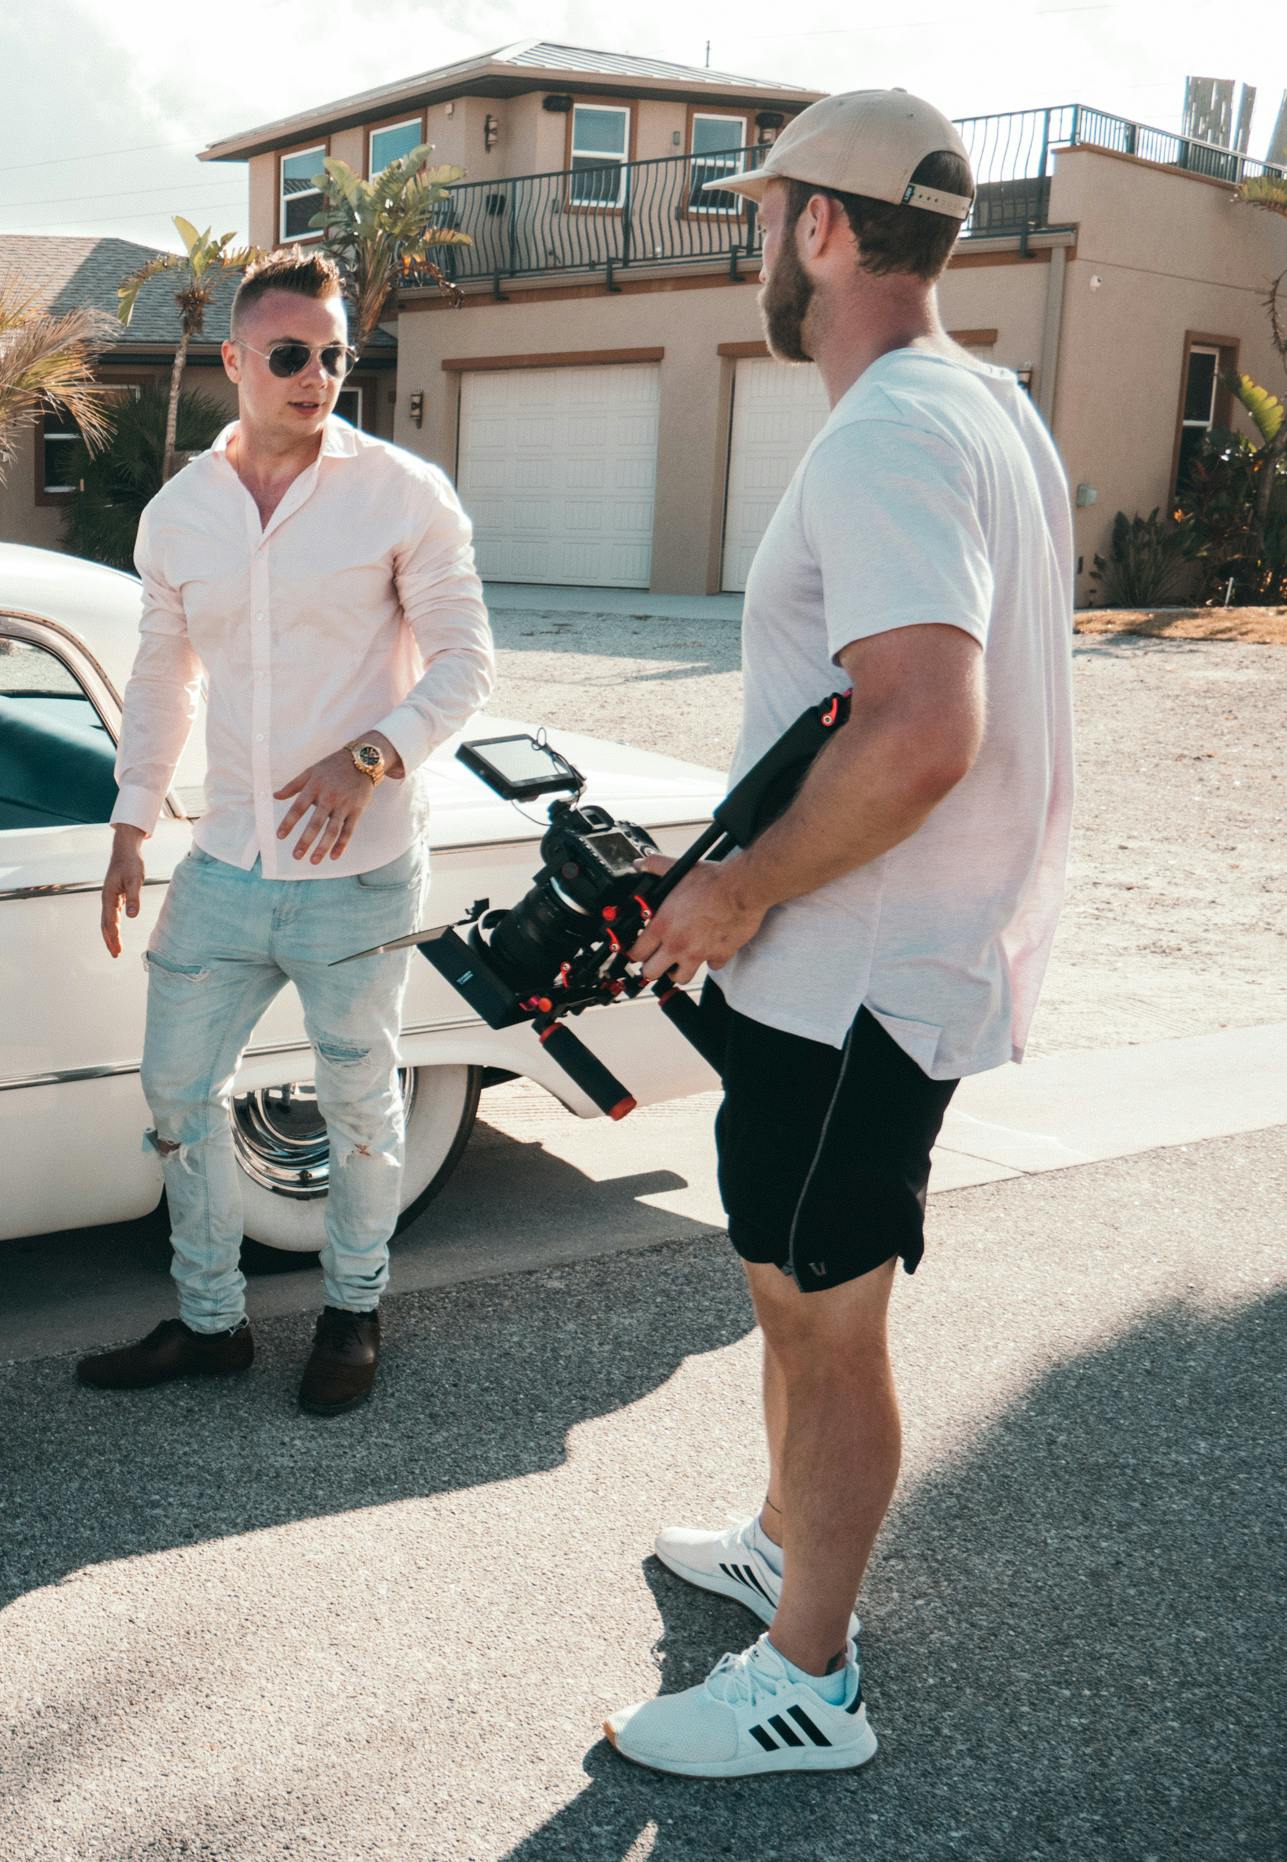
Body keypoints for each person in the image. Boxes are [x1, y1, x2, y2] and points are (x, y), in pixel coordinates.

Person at [601, 93, 1075, 1776]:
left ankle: (813, 1675)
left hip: (860, 973)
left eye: (760, 217)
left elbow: (918, 727)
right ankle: (781, 1539)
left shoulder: (885, 427)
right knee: (783, 1284)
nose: (754, 248)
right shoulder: (987, 405)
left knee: (825, 1311)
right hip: (863, 960)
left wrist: (736, 889)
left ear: (819, 228)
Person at [81, 249, 494, 1414]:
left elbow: (467, 662)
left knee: (361, 1101)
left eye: (333, 354)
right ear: (235, 362)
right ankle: (210, 1320)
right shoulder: (180, 514)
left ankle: (352, 1312)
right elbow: (162, 681)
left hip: (357, 876)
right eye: (289, 355)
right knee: (175, 1088)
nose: (317, 376)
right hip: (222, 863)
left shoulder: (401, 492)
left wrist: (372, 756)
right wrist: (127, 823)